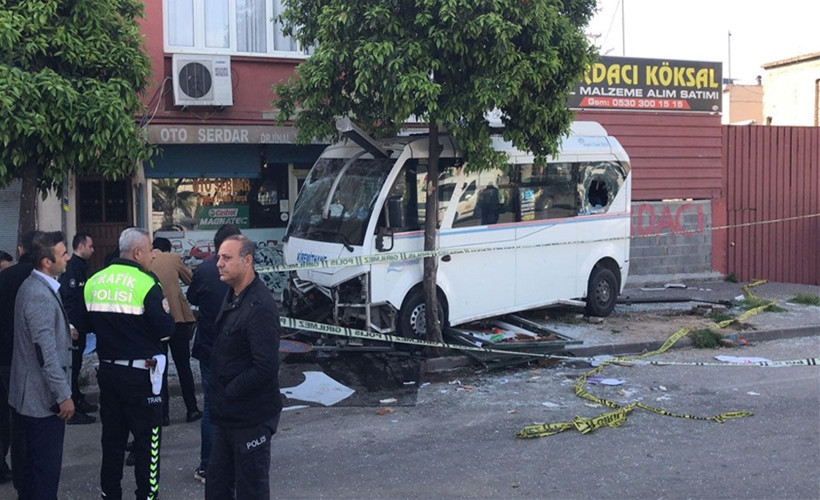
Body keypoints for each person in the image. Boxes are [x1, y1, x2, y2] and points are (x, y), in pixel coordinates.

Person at [85, 227, 175, 500]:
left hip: (109, 371)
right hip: (141, 376)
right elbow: (166, 330)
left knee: (112, 441)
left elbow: (87, 324)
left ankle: (109, 494)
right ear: (137, 253)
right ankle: (146, 496)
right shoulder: (147, 283)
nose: (152, 257)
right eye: (150, 251)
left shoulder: (94, 281)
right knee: (148, 443)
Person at [205, 235, 282, 500]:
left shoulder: (260, 306)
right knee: (216, 487)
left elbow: (266, 367)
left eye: (226, 258)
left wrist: (229, 391)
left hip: (250, 418)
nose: (219, 263)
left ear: (247, 260)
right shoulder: (233, 294)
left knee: (251, 490)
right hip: (227, 416)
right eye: (219, 257)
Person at [8, 231, 75, 498]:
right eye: (62, 253)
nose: (67, 257)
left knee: (33, 475)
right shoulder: (38, 292)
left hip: (33, 398)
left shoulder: (39, 286)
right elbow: (43, 351)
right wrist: (64, 395)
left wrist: (64, 331)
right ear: (47, 262)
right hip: (41, 403)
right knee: (43, 476)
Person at [187, 224, 241, 484]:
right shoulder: (244, 269)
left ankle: (208, 466)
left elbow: (193, 297)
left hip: (210, 347)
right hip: (237, 350)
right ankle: (236, 462)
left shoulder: (206, 269)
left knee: (210, 407)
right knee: (238, 404)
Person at [0, 230, 42, 490]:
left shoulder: (5, 278)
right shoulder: (40, 280)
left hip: (4, 358)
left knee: (6, 417)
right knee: (29, 421)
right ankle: (28, 473)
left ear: (19, 251)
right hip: (29, 363)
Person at [151, 237, 201, 426]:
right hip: (177, 319)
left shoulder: (146, 260)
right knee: (183, 366)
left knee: (159, 369)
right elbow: (190, 279)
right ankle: (192, 409)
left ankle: (163, 415)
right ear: (167, 249)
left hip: (155, 322)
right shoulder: (173, 258)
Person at [59, 232, 97, 425]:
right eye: (90, 246)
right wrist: (70, 326)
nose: (93, 250)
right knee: (73, 368)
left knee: (78, 363)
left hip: (81, 326)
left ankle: (78, 399)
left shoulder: (81, 268)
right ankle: (72, 408)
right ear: (80, 246)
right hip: (74, 328)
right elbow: (69, 300)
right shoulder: (72, 269)